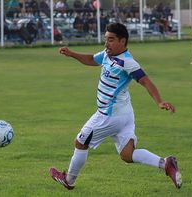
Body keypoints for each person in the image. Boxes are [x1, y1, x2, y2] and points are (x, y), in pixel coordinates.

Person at [49, 23, 182, 190]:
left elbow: (146, 81)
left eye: (111, 40)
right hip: (125, 115)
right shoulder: (107, 54)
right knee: (127, 155)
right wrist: (71, 54)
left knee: (80, 142)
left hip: (108, 115)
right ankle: (166, 163)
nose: (106, 43)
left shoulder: (128, 62)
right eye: (106, 39)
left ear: (122, 41)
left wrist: (159, 101)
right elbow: (91, 59)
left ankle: (69, 180)